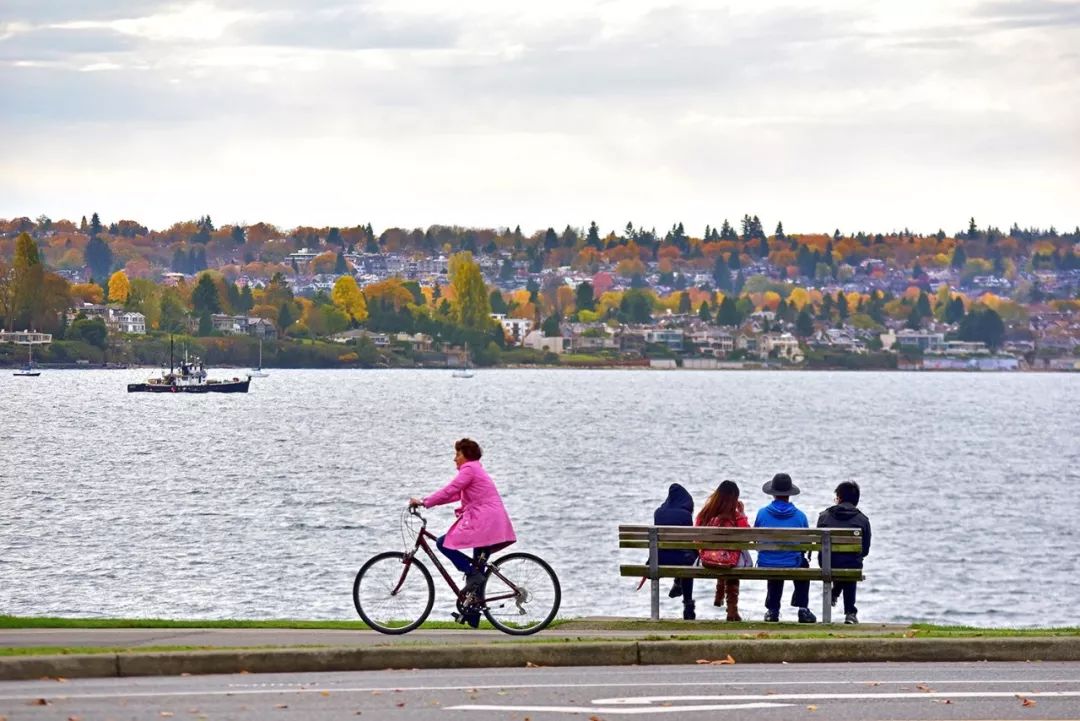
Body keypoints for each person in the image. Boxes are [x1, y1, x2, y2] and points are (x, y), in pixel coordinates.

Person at [409, 438, 515, 628]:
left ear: (466, 455)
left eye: (457, 454)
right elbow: (454, 495)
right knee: (478, 571)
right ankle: (472, 614)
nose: (454, 459)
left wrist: (424, 502)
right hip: (490, 521)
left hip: (486, 521)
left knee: (443, 543)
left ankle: (471, 575)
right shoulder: (475, 469)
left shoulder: (469, 469)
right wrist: (429, 503)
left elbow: (451, 489)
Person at [754, 473, 816, 623]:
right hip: (792, 562)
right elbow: (805, 546)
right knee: (802, 564)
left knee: (774, 560)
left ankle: (772, 610)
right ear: (789, 494)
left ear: (773, 493)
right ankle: (802, 609)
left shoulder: (762, 513)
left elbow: (756, 541)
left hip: (767, 562)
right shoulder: (800, 516)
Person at [817, 480, 872, 624]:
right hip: (851, 565)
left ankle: (836, 593)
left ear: (839, 498)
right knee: (852, 563)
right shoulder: (863, 520)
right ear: (856, 501)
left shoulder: (824, 516)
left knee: (843, 561)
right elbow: (865, 550)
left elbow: (818, 545)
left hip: (826, 563)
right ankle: (850, 613)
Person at [695, 480, 749, 621]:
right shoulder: (735, 516)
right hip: (729, 561)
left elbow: (696, 537)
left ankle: (719, 593)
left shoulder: (705, 514)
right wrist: (742, 513)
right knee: (733, 557)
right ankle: (732, 610)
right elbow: (746, 536)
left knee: (721, 554)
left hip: (708, 559)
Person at [654, 483, 697, 620]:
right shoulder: (685, 515)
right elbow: (689, 543)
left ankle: (678, 582)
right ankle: (688, 605)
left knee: (681, 557)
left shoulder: (658, 513)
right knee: (687, 562)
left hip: (660, 559)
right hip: (682, 558)